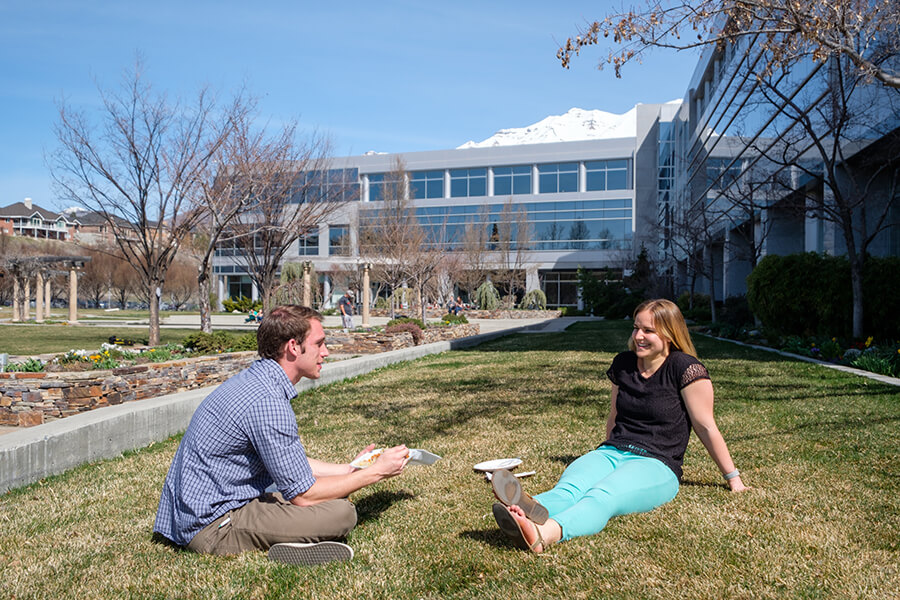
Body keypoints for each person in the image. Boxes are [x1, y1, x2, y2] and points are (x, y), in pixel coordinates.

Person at [153, 305, 409, 565]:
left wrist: (350, 469)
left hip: (202, 509)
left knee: (331, 492)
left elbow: (289, 463)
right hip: (213, 526)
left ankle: (291, 533)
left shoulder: (256, 381)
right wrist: (376, 472)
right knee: (341, 513)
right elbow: (303, 494)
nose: (326, 352)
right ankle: (291, 546)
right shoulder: (268, 401)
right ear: (293, 347)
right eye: (319, 343)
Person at [490, 298, 747, 553]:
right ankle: (527, 509)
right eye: (636, 328)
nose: (638, 336)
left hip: (657, 464)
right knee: (570, 488)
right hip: (612, 451)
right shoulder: (624, 364)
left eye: (648, 330)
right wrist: (602, 454)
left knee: (603, 493)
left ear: (669, 334)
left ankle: (544, 534)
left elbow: (706, 427)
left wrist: (732, 478)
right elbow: (614, 415)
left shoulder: (685, 368)